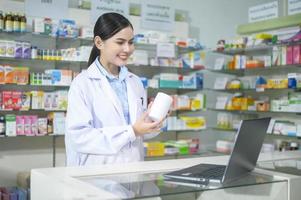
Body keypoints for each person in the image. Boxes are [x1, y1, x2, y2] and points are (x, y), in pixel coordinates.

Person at [65, 12, 165, 166]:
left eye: (131, 42)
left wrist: (152, 122)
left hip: (133, 169)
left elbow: (139, 132)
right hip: (98, 175)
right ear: (99, 43)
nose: (127, 49)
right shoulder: (82, 84)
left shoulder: (135, 82)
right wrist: (132, 131)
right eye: (120, 42)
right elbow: (79, 138)